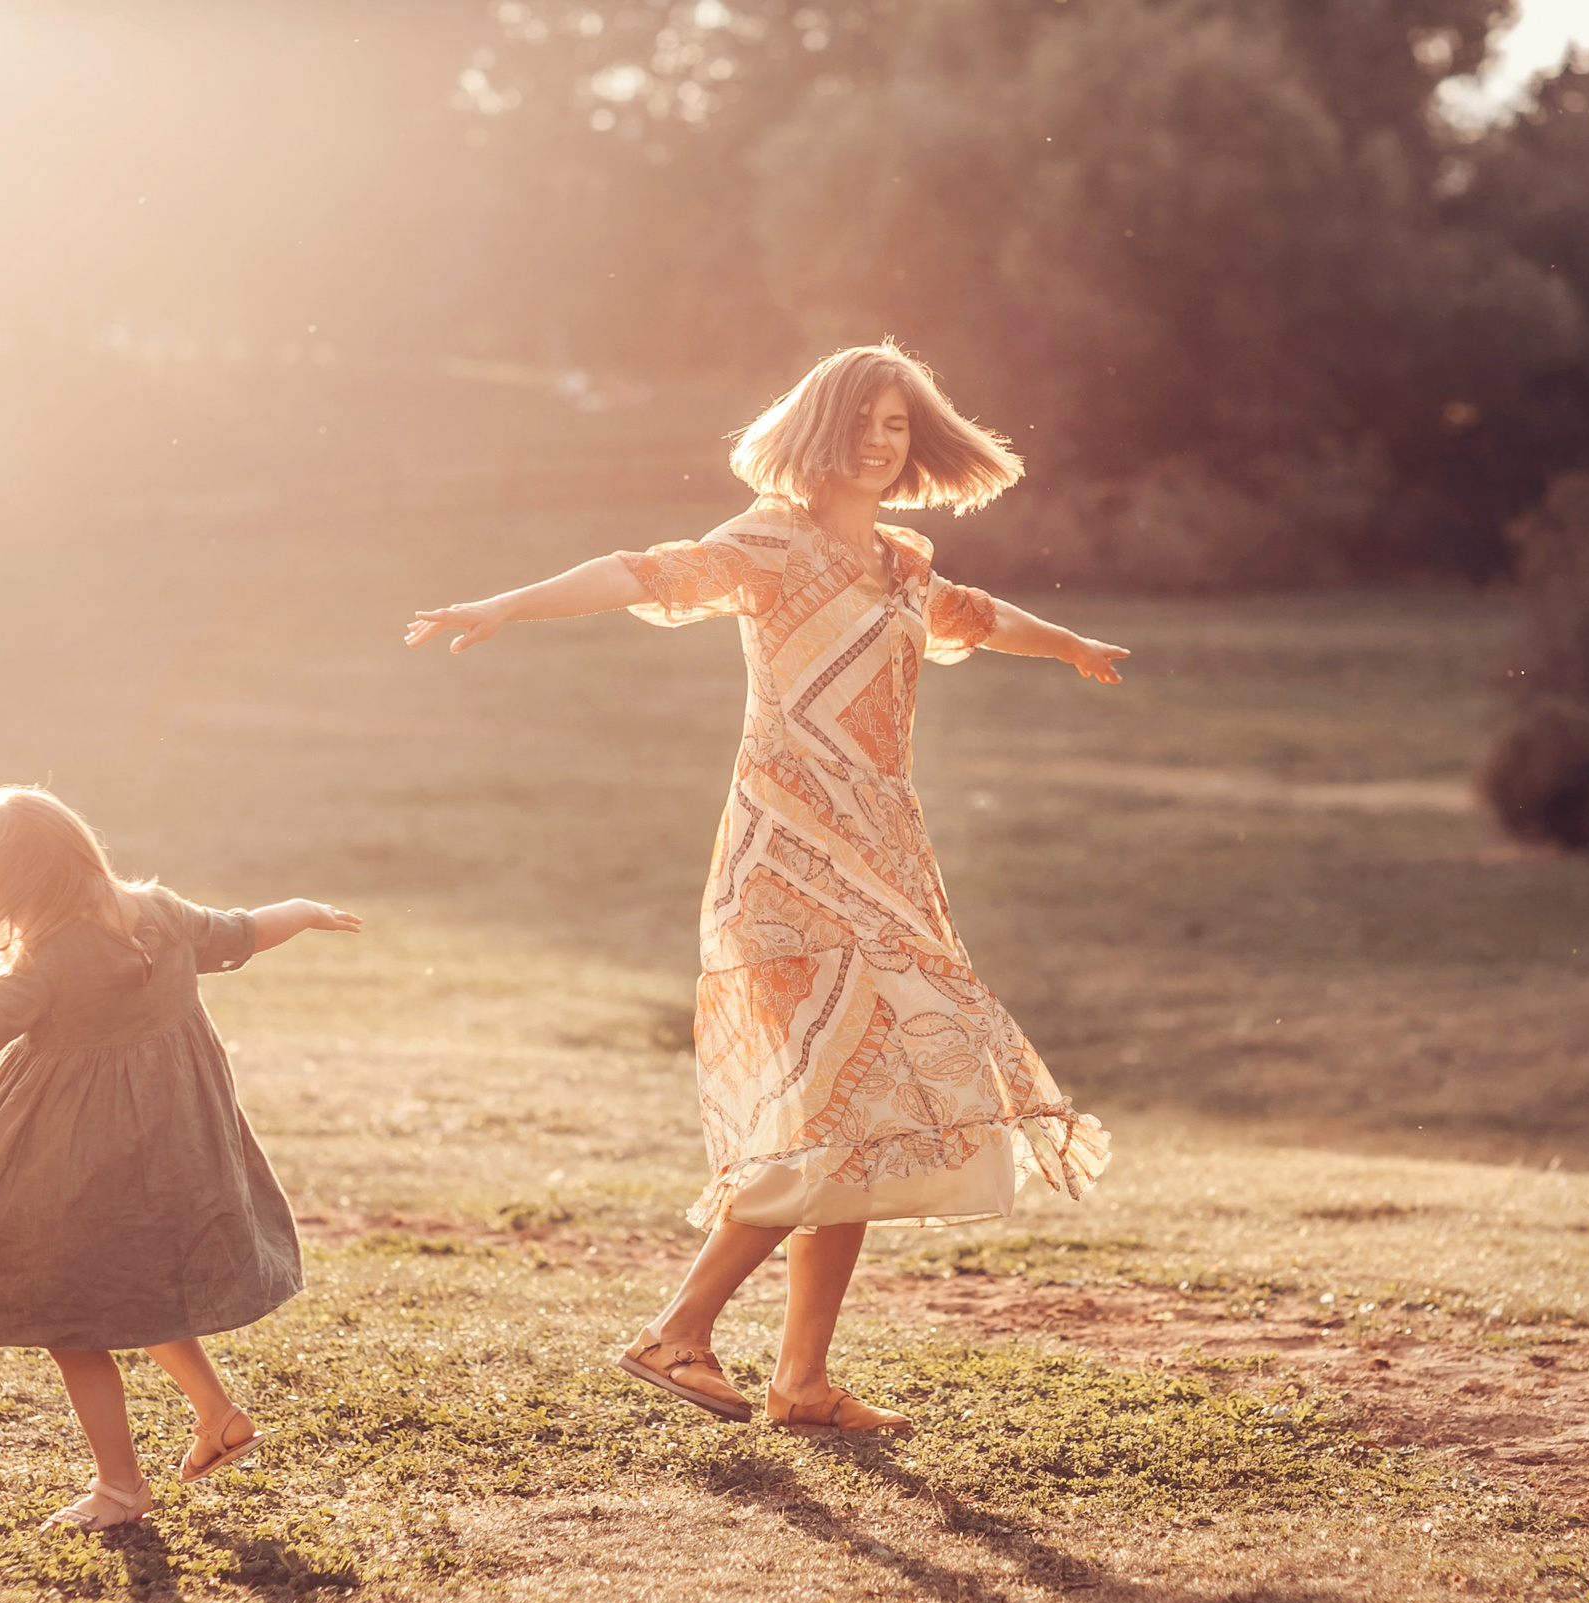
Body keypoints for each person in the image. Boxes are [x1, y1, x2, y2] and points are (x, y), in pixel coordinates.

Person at [406, 341, 1124, 1437]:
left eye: (900, 427)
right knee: (840, 1106)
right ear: (821, 430)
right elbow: (639, 572)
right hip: (786, 860)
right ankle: (676, 1332)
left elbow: (973, 616)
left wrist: (1068, 643)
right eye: (868, 424)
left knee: (863, 1111)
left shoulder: (900, 564)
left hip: (882, 857)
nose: (883, 445)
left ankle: (800, 1382)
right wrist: (505, 603)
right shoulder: (767, 545)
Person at [0, 785, 361, 1530]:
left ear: (22, 886)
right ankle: (217, 1414)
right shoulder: (160, 912)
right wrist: (304, 907)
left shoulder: (59, 955)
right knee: (132, 1279)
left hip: (73, 1153)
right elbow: (246, 930)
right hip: (170, 1145)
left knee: (67, 1310)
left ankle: (120, 1488)